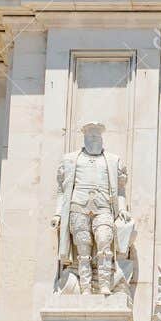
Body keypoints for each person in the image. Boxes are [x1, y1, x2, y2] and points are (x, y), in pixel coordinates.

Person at [55, 122, 132, 294]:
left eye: (97, 136)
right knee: (83, 247)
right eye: (91, 136)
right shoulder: (70, 159)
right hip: (78, 207)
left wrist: (122, 209)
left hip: (104, 207)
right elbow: (62, 190)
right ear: (85, 137)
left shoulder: (113, 161)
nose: (94, 139)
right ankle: (85, 287)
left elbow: (120, 190)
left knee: (104, 241)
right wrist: (58, 214)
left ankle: (105, 284)